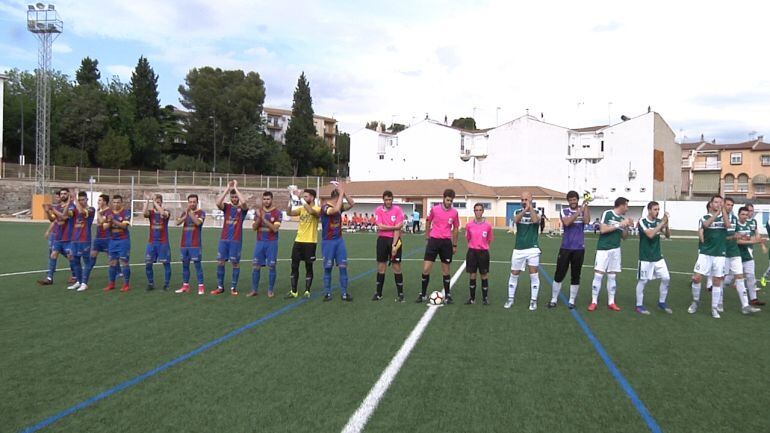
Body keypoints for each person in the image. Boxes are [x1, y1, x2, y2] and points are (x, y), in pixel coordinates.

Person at [688, 195, 731, 318]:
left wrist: (723, 212)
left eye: (720, 202)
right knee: (696, 278)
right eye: (716, 202)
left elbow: (728, 225)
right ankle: (695, 302)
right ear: (711, 204)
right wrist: (717, 213)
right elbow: (706, 225)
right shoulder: (705, 217)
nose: (718, 204)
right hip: (705, 253)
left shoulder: (725, 218)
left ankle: (714, 307)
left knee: (717, 281)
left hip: (719, 254)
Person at [589, 197, 633, 312]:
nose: (627, 209)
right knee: (598, 275)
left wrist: (627, 226)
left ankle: (611, 302)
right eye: (626, 206)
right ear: (622, 205)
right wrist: (619, 225)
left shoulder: (622, 219)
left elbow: (624, 237)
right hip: (603, 249)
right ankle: (594, 301)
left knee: (612, 276)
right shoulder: (608, 213)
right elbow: (602, 230)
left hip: (615, 250)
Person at [417, 189, 460, 304]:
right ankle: (423, 294)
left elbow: (456, 229)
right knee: (426, 269)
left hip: (446, 243)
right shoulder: (435, 209)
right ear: (443, 198)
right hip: (434, 241)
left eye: (451, 200)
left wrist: (454, 244)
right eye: (447, 200)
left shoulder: (454, 213)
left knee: (446, 270)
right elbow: (428, 221)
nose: (449, 202)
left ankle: (448, 295)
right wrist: (427, 236)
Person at [549, 191, 590, 309]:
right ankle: (554, 299)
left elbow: (587, 221)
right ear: (568, 201)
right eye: (570, 200)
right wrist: (579, 212)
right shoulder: (564, 211)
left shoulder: (583, 209)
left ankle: (572, 300)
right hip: (565, 247)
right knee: (559, 274)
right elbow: (567, 222)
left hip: (579, 248)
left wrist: (586, 205)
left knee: (576, 275)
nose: (573, 202)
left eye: (575, 199)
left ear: (578, 200)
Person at [505, 191, 542, 310]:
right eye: (522, 199)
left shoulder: (538, 212)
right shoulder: (517, 212)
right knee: (514, 274)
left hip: (533, 248)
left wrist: (529, 208)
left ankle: (533, 300)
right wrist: (525, 210)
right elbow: (515, 220)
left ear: (531, 200)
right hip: (519, 248)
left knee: (534, 275)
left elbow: (536, 221)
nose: (523, 201)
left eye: (526, 199)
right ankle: (510, 299)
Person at [634, 201, 672, 315]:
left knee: (666, 278)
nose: (657, 211)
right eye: (655, 209)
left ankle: (662, 302)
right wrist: (661, 224)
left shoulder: (659, 221)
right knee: (643, 281)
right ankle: (639, 305)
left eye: (658, 209)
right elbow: (650, 235)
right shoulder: (642, 221)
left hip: (658, 257)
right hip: (645, 257)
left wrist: (666, 224)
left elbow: (668, 235)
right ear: (649, 210)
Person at [213, 180, 249, 296]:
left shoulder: (242, 210)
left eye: (235, 197)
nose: (234, 199)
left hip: (236, 240)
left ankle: (233, 287)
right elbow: (218, 203)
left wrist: (236, 189)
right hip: (224, 240)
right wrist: (227, 189)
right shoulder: (227, 207)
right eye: (232, 197)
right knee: (220, 262)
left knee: (235, 263)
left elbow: (244, 202)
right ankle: (220, 287)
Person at [320, 183, 355, 301]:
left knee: (343, 267)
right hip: (328, 242)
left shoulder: (339, 206)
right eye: (340, 197)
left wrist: (344, 193)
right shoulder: (325, 207)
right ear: (336, 197)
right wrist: (341, 194)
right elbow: (334, 211)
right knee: (328, 268)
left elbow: (352, 203)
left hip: (339, 241)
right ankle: (327, 293)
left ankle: (344, 293)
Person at [286, 188, 321, 298]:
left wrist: (300, 198)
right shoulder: (301, 208)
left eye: (306, 196)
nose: (305, 198)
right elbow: (289, 213)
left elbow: (311, 212)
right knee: (294, 266)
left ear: (312, 198)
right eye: (304, 196)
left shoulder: (317, 208)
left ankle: (307, 290)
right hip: (298, 240)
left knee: (308, 266)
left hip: (310, 242)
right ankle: (294, 291)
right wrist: (291, 200)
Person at [38, 188, 77, 286]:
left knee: (70, 256)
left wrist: (53, 209)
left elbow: (64, 217)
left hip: (68, 237)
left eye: (65, 194)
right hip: (58, 237)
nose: (63, 195)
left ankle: (75, 275)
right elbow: (53, 220)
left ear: (68, 195)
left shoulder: (72, 207)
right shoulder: (58, 206)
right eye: (61, 194)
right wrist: (47, 211)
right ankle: (49, 278)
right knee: (53, 254)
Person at [372, 190, 406, 302]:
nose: (388, 201)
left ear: (392, 199)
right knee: (381, 267)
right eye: (386, 199)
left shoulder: (398, 210)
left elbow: (398, 229)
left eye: (390, 199)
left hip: (394, 239)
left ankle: (400, 294)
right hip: (382, 240)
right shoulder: (378, 210)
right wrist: (394, 227)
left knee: (396, 266)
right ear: (383, 200)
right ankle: (378, 293)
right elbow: (380, 227)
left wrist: (394, 245)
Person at [731, 205, 766, 307]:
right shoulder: (735, 225)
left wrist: (761, 243)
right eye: (743, 214)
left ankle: (753, 299)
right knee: (728, 279)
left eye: (747, 214)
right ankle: (717, 292)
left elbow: (754, 236)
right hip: (735, 255)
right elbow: (737, 241)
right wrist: (754, 241)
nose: (745, 216)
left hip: (747, 255)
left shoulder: (750, 224)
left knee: (751, 276)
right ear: (738, 215)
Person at [250, 191, 282, 298]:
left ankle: (270, 290)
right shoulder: (258, 212)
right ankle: (254, 290)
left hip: (272, 243)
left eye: (268, 199)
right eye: (264, 199)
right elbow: (254, 228)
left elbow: (275, 229)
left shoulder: (277, 213)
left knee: (272, 266)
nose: (266, 201)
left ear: (272, 200)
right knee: (256, 266)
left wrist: (263, 218)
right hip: (260, 242)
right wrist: (259, 218)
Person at [175, 194, 206, 294]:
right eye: (190, 202)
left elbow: (197, 223)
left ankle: (201, 286)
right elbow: (177, 223)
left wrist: (190, 213)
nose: (192, 203)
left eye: (194, 202)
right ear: (188, 203)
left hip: (195, 244)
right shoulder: (185, 212)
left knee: (197, 265)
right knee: (185, 265)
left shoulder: (201, 213)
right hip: (184, 244)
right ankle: (185, 286)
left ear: (197, 202)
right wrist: (186, 215)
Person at [64, 191, 95, 291]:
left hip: (85, 239)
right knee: (74, 260)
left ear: (87, 200)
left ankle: (84, 283)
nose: (81, 201)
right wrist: (69, 201)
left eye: (83, 199)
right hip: (74, 239)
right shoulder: (74, 209)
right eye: (80, 199)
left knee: (86, 261)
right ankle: (79, 281)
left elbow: (82, 211)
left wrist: (75, 199)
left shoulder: (91, 209)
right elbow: (65, 215)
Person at [465, 203, 494, 305]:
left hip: (483, 253)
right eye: (476, 210)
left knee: (484, 275)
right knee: (472, 275)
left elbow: (489, 239)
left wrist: (483, 246)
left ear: (483, 211)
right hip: (472, 252)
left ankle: (485, 298)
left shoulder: (488, 226)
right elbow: (468, 238)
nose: (478, 212)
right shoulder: (469, 225)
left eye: (480, 210)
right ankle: (472, 299)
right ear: (474, 211)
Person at [104, 194, 132, 292]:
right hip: (112, 241)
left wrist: (113, 221)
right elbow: (105, 227)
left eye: (118, 202)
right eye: (114, 202)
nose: (116, 204)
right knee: (112, 263)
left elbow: (124, 226)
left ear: (121, 203)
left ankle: (126, 284)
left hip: (123, 241)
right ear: (112, 203)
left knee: (124, 262)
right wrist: (109, 222)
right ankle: (111, 283)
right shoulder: (108, 212)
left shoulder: (126, 212)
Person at [143, 194, 171, 291]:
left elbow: (163, 213)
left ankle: (166, 284)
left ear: (161, 202)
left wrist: (154, 202)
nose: (156, 204)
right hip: (152, 243)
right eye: (155, 202)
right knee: (148, 263)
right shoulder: (151, 213)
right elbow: (144, 213)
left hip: (163, 243)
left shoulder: (166, 212)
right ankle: (151, 283)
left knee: (166, 264)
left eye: (158, 202)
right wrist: (147, 201)